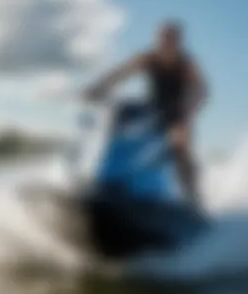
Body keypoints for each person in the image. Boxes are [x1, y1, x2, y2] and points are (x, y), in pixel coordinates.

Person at [85, 21, 208, 206]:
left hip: (178, 112)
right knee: (122, 113)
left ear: (179, 41)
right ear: (158, 39)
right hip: (152, 107)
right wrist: (98, 88)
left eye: (172, 39)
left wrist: (187, 115)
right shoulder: (148, 58)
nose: (167, 43)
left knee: (179, 147)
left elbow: (201, 91)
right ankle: (108, 181)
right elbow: (121, 73)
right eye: (163, 38)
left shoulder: (187, 64)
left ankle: (193, 199)